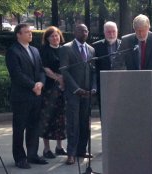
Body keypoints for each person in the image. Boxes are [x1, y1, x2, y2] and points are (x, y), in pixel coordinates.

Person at [5, 23, 48, 169]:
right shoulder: (13, 51)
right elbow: (17, 74)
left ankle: (32, 155)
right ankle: (20, 158)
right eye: (27, 32)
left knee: (34, 127)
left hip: (36, 96)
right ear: (18, 34)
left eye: (30, 32)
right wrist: (33, 86)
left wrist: (40, 84)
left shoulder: (35, 50)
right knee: (19, 128)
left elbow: (41, 70)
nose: (30, 34)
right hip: (21, 97)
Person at [60, 24, 96, 165]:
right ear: (74, 32)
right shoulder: (66, 48)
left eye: (86, 30)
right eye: (81, 30)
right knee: (73, 124)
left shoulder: (91, 49)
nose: (84, 33)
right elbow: (64, 70)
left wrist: (93, 88)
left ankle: (82, 150)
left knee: (84, 123)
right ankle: (71, 154)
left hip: (87, 93)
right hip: (73, 93)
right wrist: (76, 89)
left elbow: (93, 71)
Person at [112, 14, 152, 99]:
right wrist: (122, 79)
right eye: (137, 31)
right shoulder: (126, 40)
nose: (141, 34)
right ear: (134, 29)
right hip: (132, 84)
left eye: (143, 30)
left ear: (148, 27)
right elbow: (117, 61)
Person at [39, 26, 67, 159]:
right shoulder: (44, 50)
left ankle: (59, 147)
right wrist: (58, 78)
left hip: (62, 89)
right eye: (52, 36)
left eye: (56, 35)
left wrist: (63, 81)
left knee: (60, 118)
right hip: (50, 89)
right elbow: (45, 69)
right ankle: (46, 149)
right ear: (47, 38)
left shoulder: (64, 49)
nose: (55, 38)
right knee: (48, 118)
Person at [92, 21, 121, 116]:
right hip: (103, 83)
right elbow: (94, 67)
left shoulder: (124, 45)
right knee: (105, 112)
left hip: (120, 83)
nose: (111, 34)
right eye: (108, 32)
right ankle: (106, 130)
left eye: (113, 31)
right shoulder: (96, 46)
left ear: (117, 31)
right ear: (104, 33)